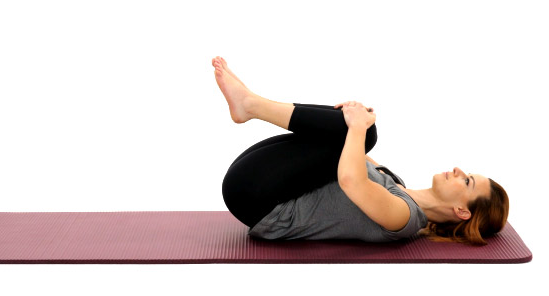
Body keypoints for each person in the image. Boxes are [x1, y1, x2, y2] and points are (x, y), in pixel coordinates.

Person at [212, 56, 509, 246]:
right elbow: (347, 150)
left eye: (467, 181)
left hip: (262, 204)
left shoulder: (406, 217)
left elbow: (351, 180)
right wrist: (354, 116)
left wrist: (357, 128)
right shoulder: (396, 183)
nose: (458, 170)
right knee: (361, 129)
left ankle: (250, 105)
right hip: (259, 184)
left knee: (365, 132)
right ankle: (249, 104)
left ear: (462, 211)